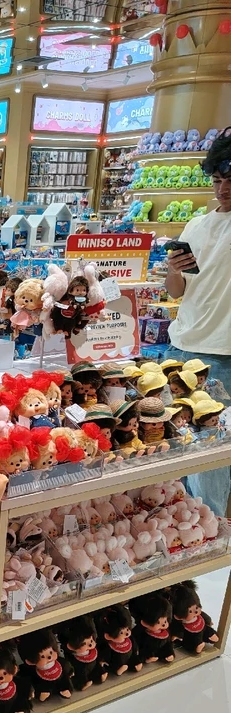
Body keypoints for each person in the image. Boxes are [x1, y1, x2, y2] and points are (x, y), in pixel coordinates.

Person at [162, 129, 231, 515]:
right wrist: (174, 269)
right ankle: (182, 530)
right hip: (180, 349)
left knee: (213, 458)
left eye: (230, 180)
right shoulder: (196, 226)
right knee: (174, 447)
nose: (223, 189)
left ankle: (213, 532)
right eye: (218, 180)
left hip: (223, 355)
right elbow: (177, 291)